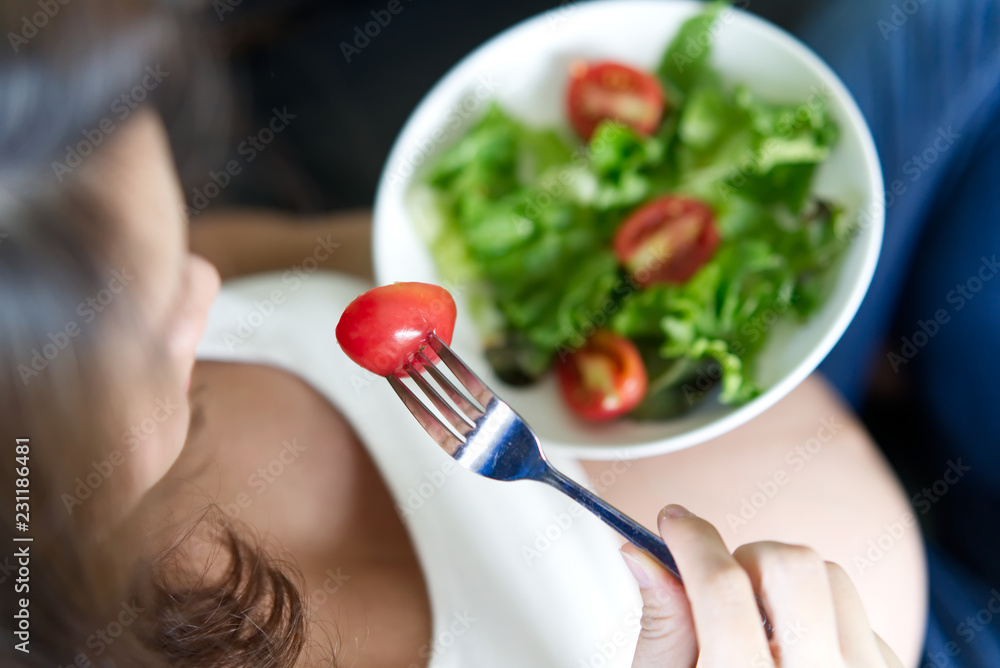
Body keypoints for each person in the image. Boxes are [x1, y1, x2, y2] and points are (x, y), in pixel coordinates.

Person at [0, 1, 923, 666]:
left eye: (172, 255)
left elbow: (315, 258)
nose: (200, 288)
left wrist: (585, 267)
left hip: (845, 344)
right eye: (156, 321)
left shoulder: (44, 227)